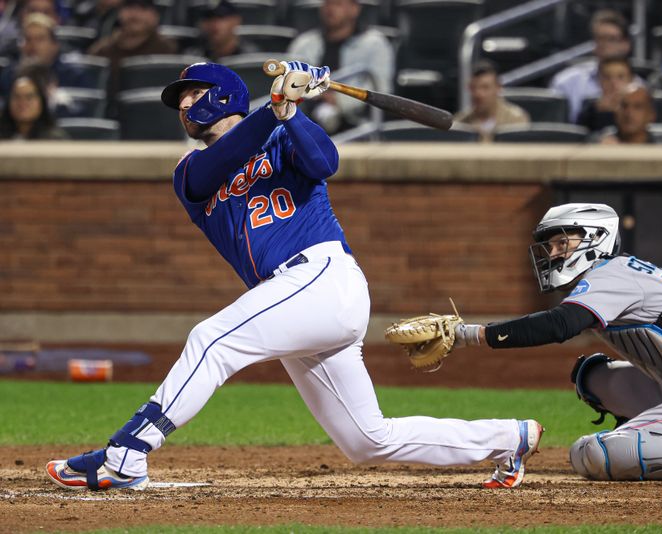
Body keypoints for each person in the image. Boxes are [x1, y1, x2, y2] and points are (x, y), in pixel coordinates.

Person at [44, 60, 542, 492]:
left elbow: (326, 161)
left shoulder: (284, 135)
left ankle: (128, 452)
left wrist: (289, 110)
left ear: (220, 97)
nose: (184, 104)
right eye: (181, 98)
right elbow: (214, 168)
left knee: (212, 340)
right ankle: (506, 439)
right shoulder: (190, 168)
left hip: (322, 277)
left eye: (192, 93)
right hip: (295, 300)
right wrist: (274, 104)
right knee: (367, 441)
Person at [446, 202, 662, 481]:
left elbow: (560, 325)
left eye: (562, 243)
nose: (552, 253)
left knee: (594, 453)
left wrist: (469, 334)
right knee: (591, 376)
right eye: (549, 245)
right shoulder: (620, 272)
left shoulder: (610, 274)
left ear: (596, 239)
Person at [286, 0, 394, 133]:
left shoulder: (375, 44)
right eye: (327, 3)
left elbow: (381, 89)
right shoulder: (303, 44)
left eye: (338, 4)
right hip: (307, 125)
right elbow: (288, 83)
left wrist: (338, 100)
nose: (330, 9)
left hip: (358, 127)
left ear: (355, 9)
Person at [88, 0, 177, 114]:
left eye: (143, 8)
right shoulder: (101, 52)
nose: (135, 14)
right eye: (129, 7)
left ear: (155, 15)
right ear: (120, 13)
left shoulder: (168, 52)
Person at [550, 9, 632, 123]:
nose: (604, 45)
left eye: (611, 39)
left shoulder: (640, 88)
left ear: (626, 44)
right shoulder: (566, 82)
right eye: (599, 38)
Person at [0, 14, 94, 100]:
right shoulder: (9, 74)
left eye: (40, 39)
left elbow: (82, 110)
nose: (33, 45)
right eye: (28, 39)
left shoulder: (74, 75)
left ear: (55, 45)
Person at [454, 60, 529, 142]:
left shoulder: (515, 120)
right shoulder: (460, 123)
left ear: (498, 88)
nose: (479, 94)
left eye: (485, 87)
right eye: (474, 87)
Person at [0, 70, 68, 139]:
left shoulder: (56, 139)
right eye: (17, 97)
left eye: (29, 97)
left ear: (41, 102)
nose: (23, 103)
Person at [184, 0, 259, 62]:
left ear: (236, 20)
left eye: (221, 17)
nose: (214, 24)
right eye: (209, 18)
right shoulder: (193, 58)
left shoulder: (251, 58)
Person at [576, 57, 633, 133]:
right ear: (599, 81)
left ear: (630, 80)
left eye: (620, 77)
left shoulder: (642, 107)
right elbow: (578, 139)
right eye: (607, 77)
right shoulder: (589, 110)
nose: (613, 83)